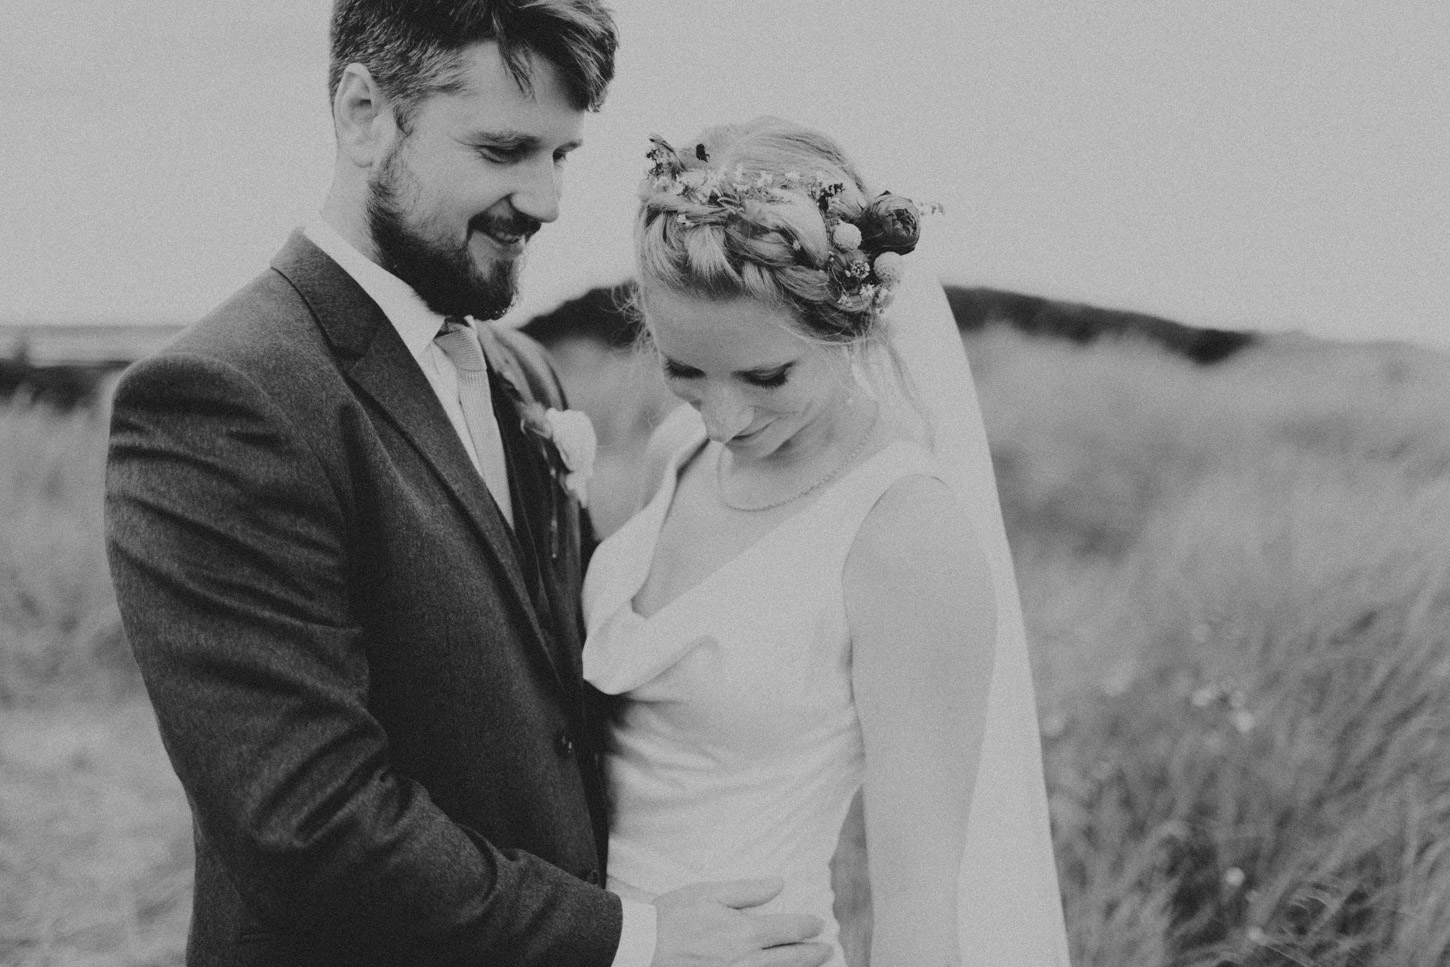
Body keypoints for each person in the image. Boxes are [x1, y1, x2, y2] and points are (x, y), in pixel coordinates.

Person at [104, 4, 832, 966]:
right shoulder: (221, 399)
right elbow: (310, 821)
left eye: (563, 156)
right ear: (365, 113)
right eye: (503, 149)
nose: (546, 199)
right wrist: (636, 938)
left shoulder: (524, 374)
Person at [581, 118, 1073, 966]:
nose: (726, 417)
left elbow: (919, 903)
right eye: (686, 371)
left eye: (767, 377)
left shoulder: (905, 537)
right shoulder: (679, 450)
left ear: (852, 331)